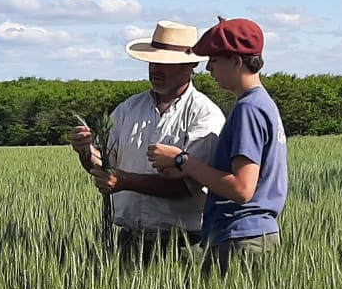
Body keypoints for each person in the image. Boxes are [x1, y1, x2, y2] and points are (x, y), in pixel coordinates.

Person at [69, 20, 225, 264]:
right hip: (129, 241)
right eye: (153, 62)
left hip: (184, 244)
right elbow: (103, 166)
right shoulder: (127, 109)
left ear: (191, 65)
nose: (156, 70)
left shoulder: (204, 114)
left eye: (166, 64)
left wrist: (125, 181)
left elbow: (190, 185)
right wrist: (85, 151)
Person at [147, 17, 287, 274]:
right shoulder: (264, 104)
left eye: (214, 60)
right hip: (255, 235)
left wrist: (182, 160)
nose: (209, 68)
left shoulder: (249, 110)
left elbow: (242, 189)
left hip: (241, 239)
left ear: (236, 61)